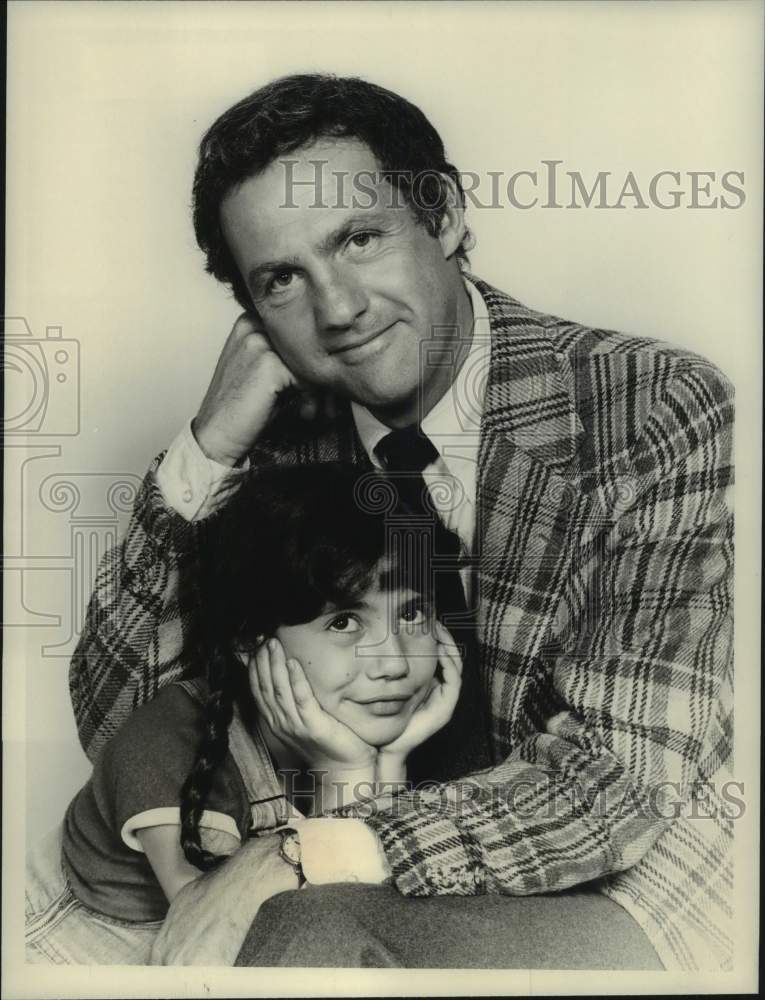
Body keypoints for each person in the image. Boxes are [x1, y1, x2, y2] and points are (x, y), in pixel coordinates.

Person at [68, 74, 734, 971]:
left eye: (359, 239)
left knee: (303, 932)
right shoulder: (283, 439)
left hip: (620, 878)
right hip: (365, 860)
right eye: (281, 281)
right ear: (251, 315)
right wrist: (207, 449)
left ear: (447, 217)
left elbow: (618, 778)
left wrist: (297, 855)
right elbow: (124, 722)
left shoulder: (648, 409)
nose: (337, 310)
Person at [26, 463, 465, 965]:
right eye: (344, 621)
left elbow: (364, 919)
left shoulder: (349, 732)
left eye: (412, 613)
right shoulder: (170, 743)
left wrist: (387, 763)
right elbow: (235, 950)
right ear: (250, 641)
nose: (394, 662)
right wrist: (346, 773)